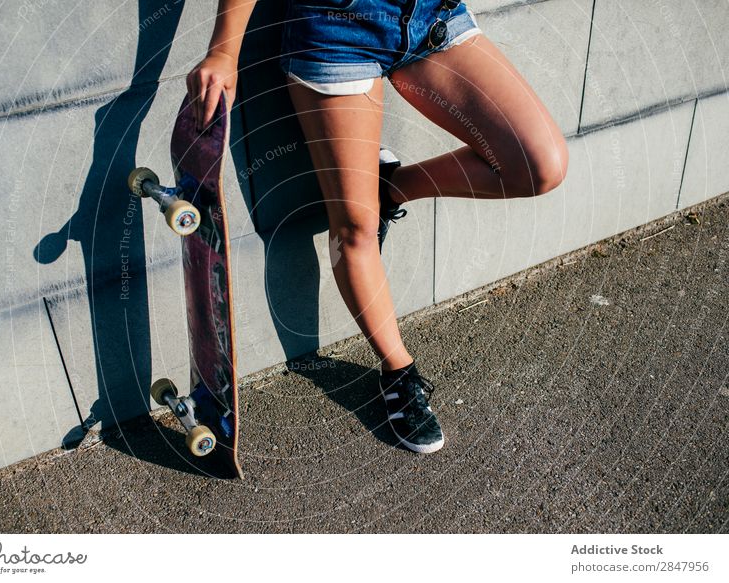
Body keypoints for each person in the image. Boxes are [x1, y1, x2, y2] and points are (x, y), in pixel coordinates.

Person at [187, 0, 569, 454]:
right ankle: (397, 371)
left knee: (539, 165)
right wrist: (224, 51)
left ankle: (389, 187)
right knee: (354, 228)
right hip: (335, 29)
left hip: (430, 15)